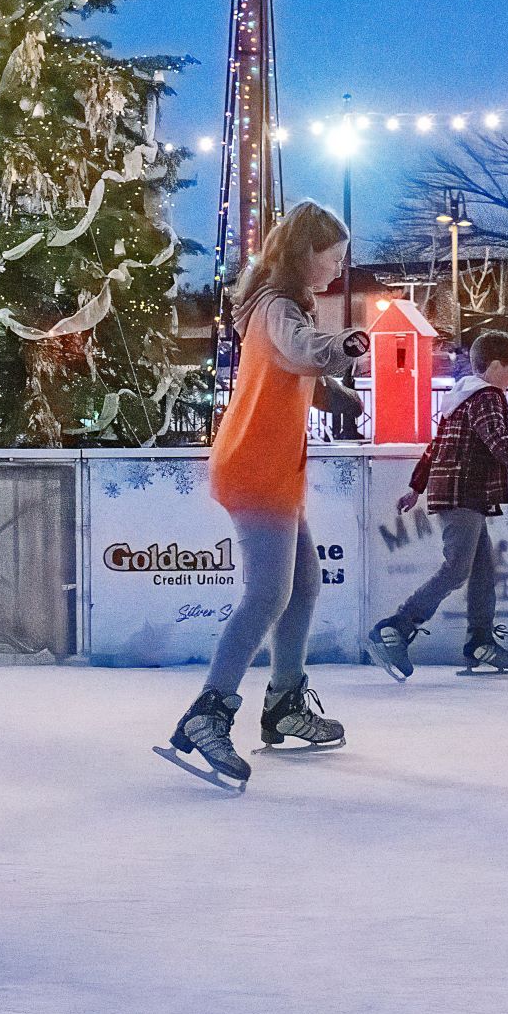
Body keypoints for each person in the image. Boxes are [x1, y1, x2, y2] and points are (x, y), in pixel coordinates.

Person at [164, 203, 365, 787]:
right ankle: (209, 712)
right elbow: (301, 349)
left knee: (303, 586)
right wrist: (342, 348)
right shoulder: (279, 308)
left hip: (271, 469)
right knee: (268, 595)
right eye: (335, 256)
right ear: (307, 253)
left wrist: (335, 398)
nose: (339, 267)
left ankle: (283, 702)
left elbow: (288, 369)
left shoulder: (278, 306)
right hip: (256, 469)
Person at [368, 329, 508, 678]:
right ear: (497, 365)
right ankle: (396, 627)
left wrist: (416, 487)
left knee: (482, 571)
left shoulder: (460, 397)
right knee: (456, 569)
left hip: (459, 493)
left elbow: (435, 448)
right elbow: (497, 441)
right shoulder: (488, 396)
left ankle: (480, 642)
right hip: (464, 493)